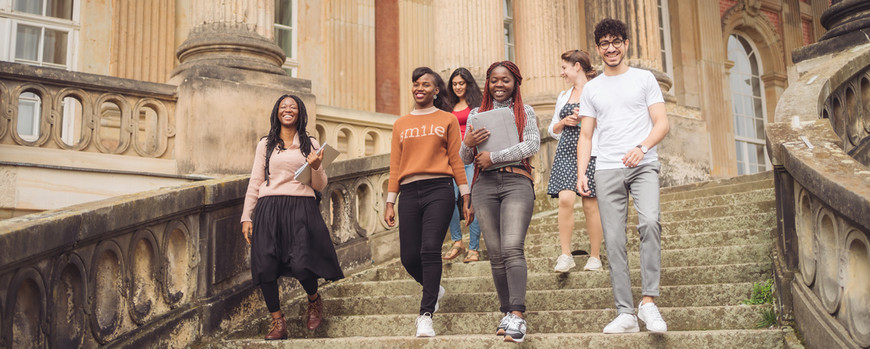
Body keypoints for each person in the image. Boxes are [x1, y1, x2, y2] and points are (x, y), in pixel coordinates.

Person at [576, 18, 670, 334]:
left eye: (617, 41)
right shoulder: (592, 88)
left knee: (650, 222)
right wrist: (582, 172)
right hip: (606, 169)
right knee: (614, 239)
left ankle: (648, 303)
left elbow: (661, 123)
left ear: (626, 44)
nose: (611, 48)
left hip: (643, 163)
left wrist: (641, 148)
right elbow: (586, 135)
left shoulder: (644, 79)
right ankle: (625, 312)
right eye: (605, 43)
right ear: (598, 48)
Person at [240, 94, 345, 340]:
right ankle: (278, 322)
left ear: (300, 113)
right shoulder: (266, 144)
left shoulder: (310, 142)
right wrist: (247, 215)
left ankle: (314, 300)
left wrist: (317, 166)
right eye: (283, 106)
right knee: (265, 266)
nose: (288, 110)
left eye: (293, 107)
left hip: (301, 207)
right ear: (277, 111)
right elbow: (256, 180)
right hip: (269, 208)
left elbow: (319, 185)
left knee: (301, 263)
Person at [383, 67, 473, 338]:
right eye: (415, 83)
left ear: (436, 90)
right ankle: (434, 289)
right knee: (408, 256)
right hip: (409, 191)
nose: (419, 87)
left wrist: (466, 195)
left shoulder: (446, 119)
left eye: (425, 84)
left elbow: (457, 160)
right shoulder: (401, 123)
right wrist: (390, 200)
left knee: (430, 249)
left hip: (440, 189)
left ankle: (425, 315)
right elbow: (395, 165)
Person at [460, 61, 539, 343]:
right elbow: (465, 158)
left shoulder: (525, 111)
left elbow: (530, 145)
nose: (499, 85)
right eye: (494, 80)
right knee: (494, 253)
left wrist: (495, 156)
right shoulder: (476, 114)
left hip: (516, 181)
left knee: (511, 247)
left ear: (515, 83)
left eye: (505, 80)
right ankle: (505, 311)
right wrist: (467, 142)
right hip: (485, 185)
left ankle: (517, 315)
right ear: (487, 83)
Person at [546, 50, 604, 273]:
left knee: (590, 204)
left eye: (564, 68)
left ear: (577, 66)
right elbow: (552, 129)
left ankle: (595, 257)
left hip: (592, 151)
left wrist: (587, 119)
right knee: (565, 200)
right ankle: (565, 255)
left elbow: (609, 121)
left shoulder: (598, 90)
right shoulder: (564, 95)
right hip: (566, 151)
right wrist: (564, 121)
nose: (562, 72)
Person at [442, 67, 484, 263]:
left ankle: (474, 248)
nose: (458, 87)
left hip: (472, 159)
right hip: (452, 160)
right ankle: (457, 242)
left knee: (472, 202)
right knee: (449, 200)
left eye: (461, 83)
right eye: (454, 84)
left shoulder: (478, 104)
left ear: (468, 83)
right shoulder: (447, 105)